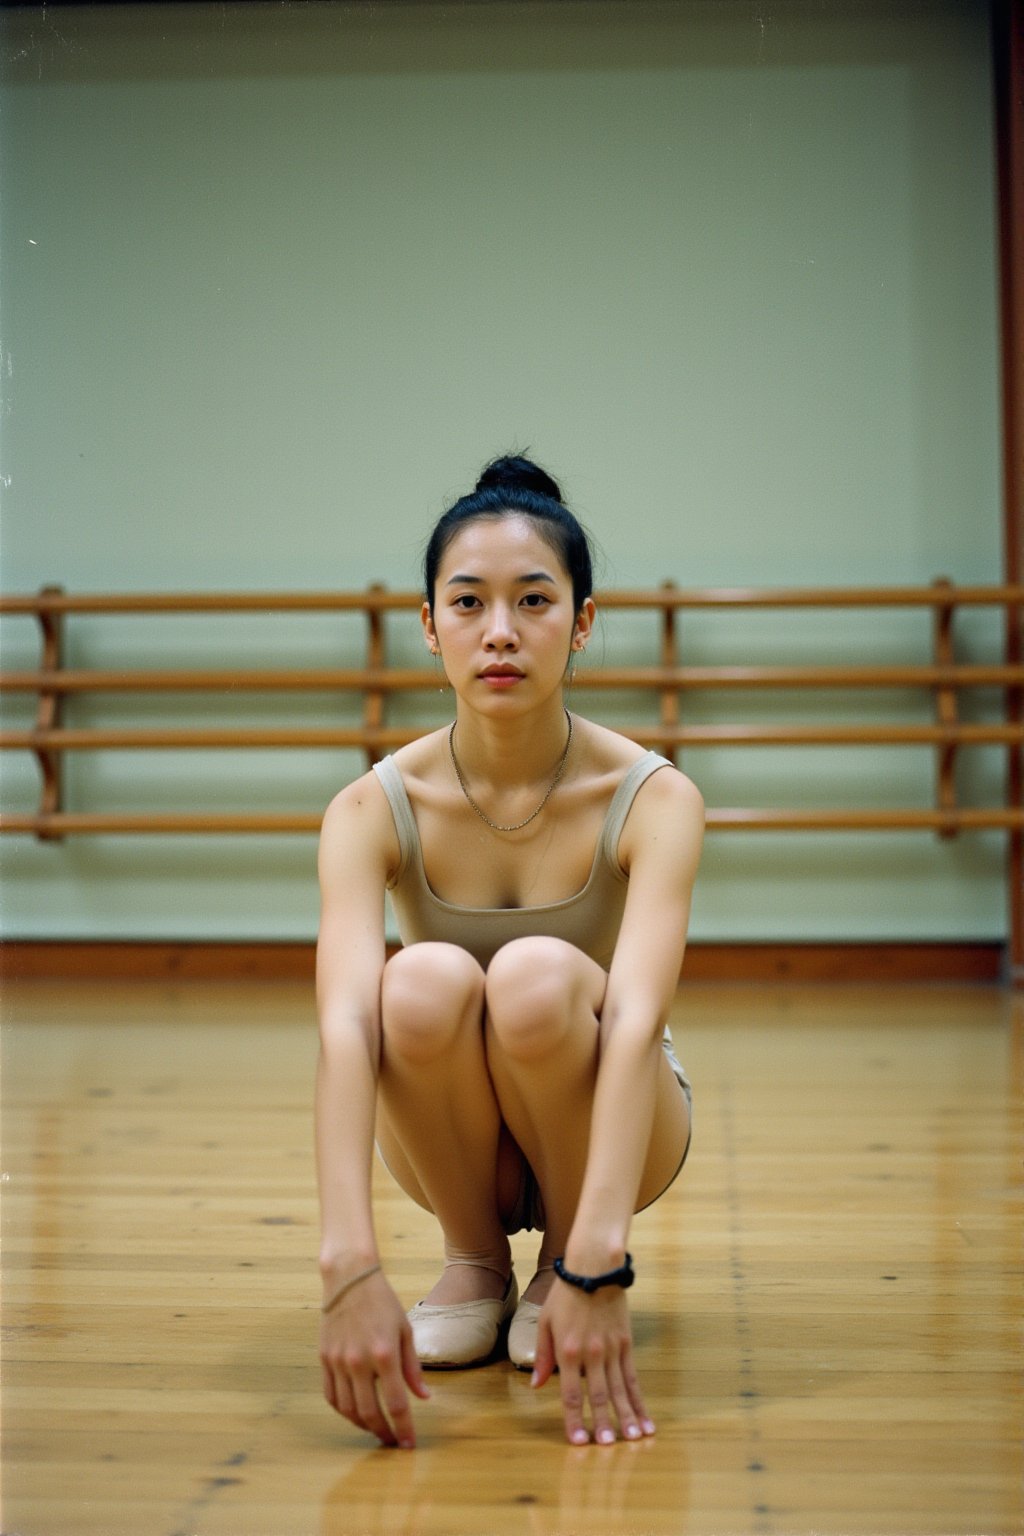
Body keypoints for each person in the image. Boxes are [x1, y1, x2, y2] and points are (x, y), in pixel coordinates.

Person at [315, 456, 704, 1450]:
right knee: (420, 980)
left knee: (534, 978)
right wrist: (348, 1265)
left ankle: (561, 1260)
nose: (499, 630)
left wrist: (599, 1261)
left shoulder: (654, 797)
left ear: (579, 623)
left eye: (534, 601)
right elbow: (348, 1025)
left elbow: (637, 1024)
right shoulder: (369, 808)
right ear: (428, 624)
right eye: (469, 601)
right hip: (452, 1136)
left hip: (616, 1106)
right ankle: (474, 1262)